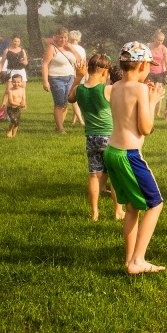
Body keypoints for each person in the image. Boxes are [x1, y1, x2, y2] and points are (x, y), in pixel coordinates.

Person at [104, 41, 165, 275]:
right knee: (155, 203)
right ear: (141, 65)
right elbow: (145, 128)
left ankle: (129, 258)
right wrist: (152, 100)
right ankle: (137, 261)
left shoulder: (116, 86)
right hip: (129, 155)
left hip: (112, 152)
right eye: (149, 65)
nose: (149, 69)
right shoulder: (139, 89)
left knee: (131, 206)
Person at [68, 54, 124, 221]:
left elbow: (70, 98)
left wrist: (78, 77)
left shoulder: (79, 90)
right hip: (110, 137)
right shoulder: (106, 89)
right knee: (115, 175)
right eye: (107, 74)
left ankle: (94, 213)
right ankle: (118, 211)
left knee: (94, 175)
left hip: (91, 138)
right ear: (103, 71)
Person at [41, 27, 78, 134]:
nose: (63, 40)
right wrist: (45, 81)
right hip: (56, 78)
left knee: (66, 103)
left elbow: (79, 59)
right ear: (56, 37)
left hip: (70, 77)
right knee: (59, 104)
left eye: (65, 37)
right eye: (61, 37)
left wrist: (72, 49)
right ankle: (61, 128)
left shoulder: (69, 48)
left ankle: (59, 125)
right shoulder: (51, 48)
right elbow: (45, 64)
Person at [147, 29, 167, 117]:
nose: (160, 42)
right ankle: (149, 110)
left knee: (159, 91)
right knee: (150, 91)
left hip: (160, 73)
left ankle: (157, 113)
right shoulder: (148, 46)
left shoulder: (164, 49)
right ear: (154, 38)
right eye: (158, 40)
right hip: (149, 72)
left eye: (162, 41)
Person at [68, 30, 87, 126]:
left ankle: (81, 120)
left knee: (73, 96)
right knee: (78, 96)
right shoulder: (82, 49)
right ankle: (74, 119)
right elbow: (84, 62)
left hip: (71, 73)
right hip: (81, 73)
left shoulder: (68, 48)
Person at [1, 74, 26, 138]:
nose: (16, 84)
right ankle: (9, 130)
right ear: (12, 82)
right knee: (13, 120)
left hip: (18, 109)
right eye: (14, 82)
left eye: (18, 82)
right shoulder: (10, 91)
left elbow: (23, 99)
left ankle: (13, 136)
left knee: (17, 123)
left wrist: (24, 104)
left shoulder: (22, 90)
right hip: (11, 109)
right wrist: (20, 105)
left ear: (21, 82)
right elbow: (11, 101)